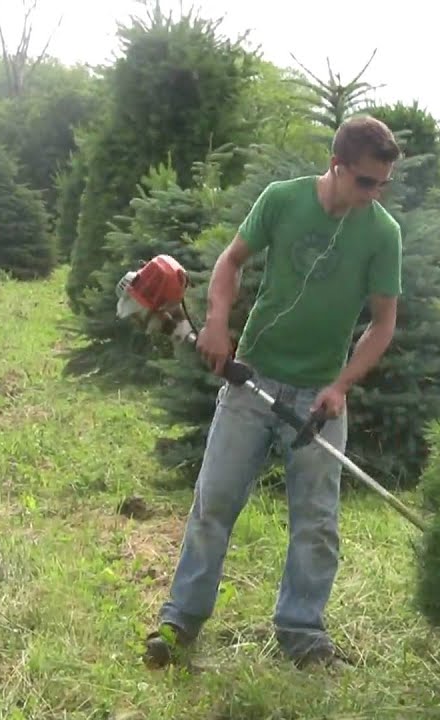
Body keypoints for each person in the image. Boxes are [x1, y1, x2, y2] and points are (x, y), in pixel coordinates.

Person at [142, 115, 403, 672]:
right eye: (366, 182)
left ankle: (302, 632)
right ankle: (181, 619)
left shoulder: (382, 234)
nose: (376, 194)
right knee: (214, 502)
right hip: (252, 377)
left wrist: (339, 386)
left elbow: (382, 324)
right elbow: (230, 261)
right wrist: (216, 321)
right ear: (337, 166)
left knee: (317, 522)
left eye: (384, 184)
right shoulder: (282, 200)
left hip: (319, 398)